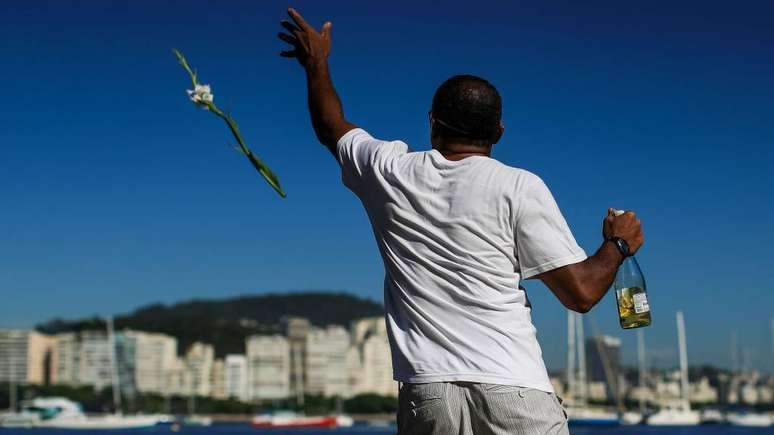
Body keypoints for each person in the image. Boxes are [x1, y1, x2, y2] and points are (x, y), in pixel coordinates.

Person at [278, 8, 644, 435]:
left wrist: (316, 63)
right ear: (499, 132)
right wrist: (616, 246)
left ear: (432, 123)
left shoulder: (390, 171)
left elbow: (330, 126)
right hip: (512, 386)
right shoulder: (518, 186)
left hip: (427, 392)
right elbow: (581, 294)